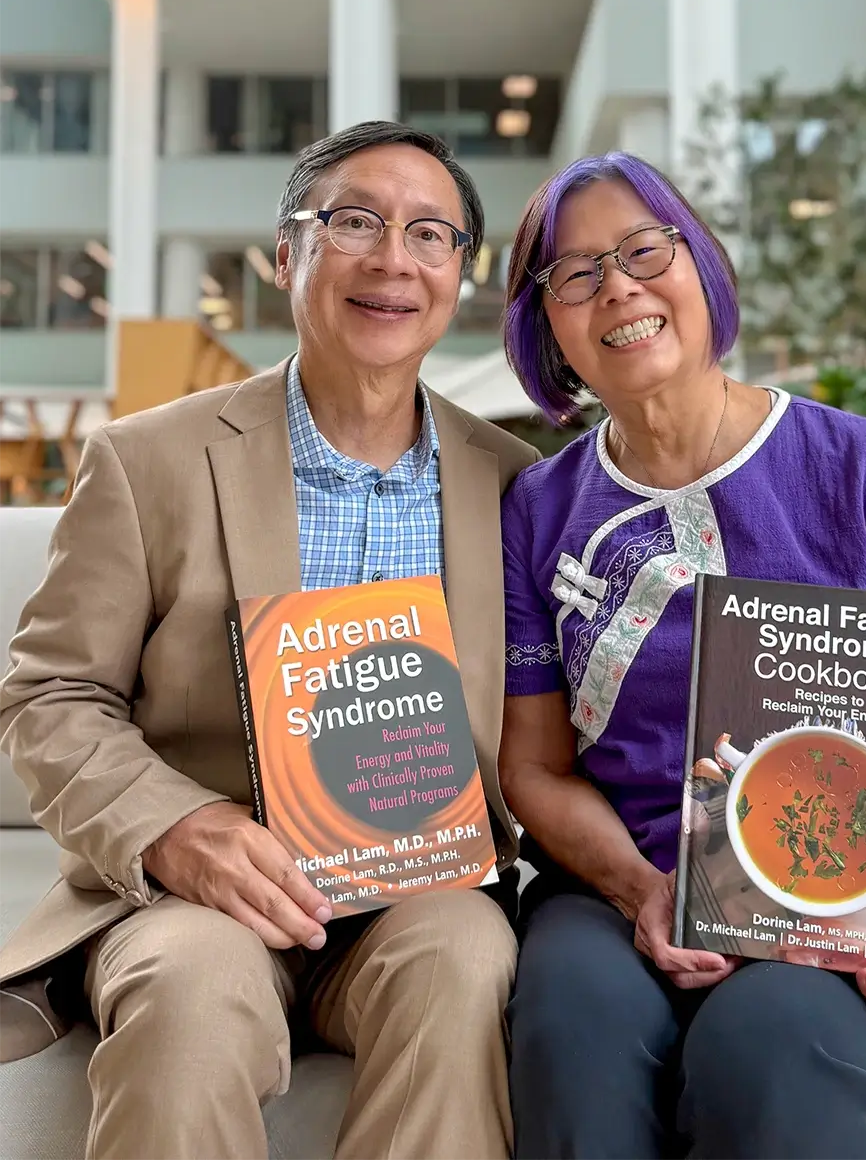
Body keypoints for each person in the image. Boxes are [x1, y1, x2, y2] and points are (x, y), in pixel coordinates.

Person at [0, 121, 538, 1160]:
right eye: (356, 222)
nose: (394, 258)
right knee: (193, 994)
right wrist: (175, 827)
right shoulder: (146, 460)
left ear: (460, 275)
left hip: (421, 890)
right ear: (287, 254)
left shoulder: (515, 483)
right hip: (196, 892)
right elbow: (52, 696)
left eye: (430, 233)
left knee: (467, 959)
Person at [497, 150, 866, 1160]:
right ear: (546, 323)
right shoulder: (538, 509)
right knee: (571, 1038)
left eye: (644, 250)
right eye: (576, 273)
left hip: (851, 883)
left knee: (761, 1051)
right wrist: (645, 889)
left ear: (703, 265)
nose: (618, 287)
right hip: (614, 889)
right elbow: (536, 768)